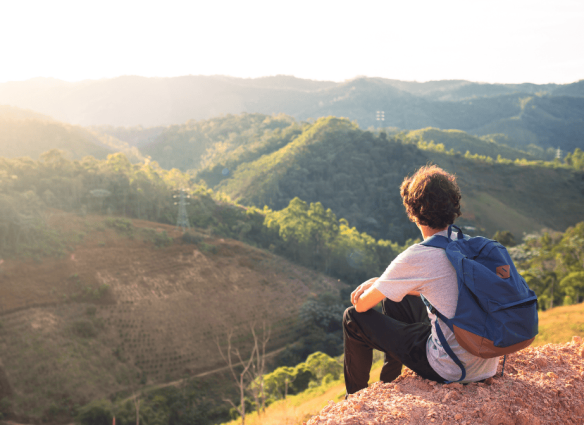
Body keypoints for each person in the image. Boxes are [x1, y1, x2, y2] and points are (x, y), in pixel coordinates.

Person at [343, 164, 499, 395]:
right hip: (485, 362)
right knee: (398, 298)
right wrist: (385, 283)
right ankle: (390, 380)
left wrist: (378, 285)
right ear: (453, 206)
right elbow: (449, 290)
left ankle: (354, 397)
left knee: (351, 319)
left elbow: (361, 305)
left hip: (451, 368)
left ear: (413, 213)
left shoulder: (417, 256)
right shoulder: (468, 245)